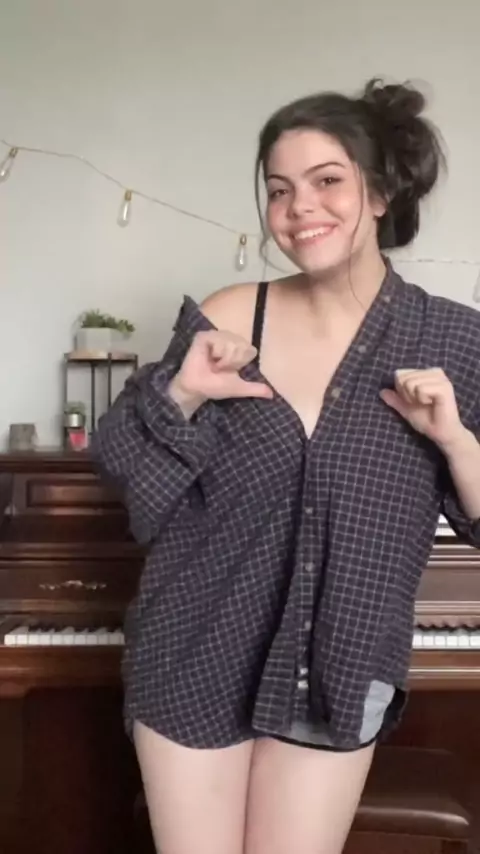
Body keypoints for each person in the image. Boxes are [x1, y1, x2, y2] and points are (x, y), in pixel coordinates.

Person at [91, 77, 480, 854]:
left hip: (342, 663)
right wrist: (183, 391)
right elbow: (125, 472)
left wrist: (456, 443)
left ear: (379, 193)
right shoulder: (233, 314)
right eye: (279, 190)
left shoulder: (454, 341)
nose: (300, 207)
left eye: (327, 180)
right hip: (193, 649)